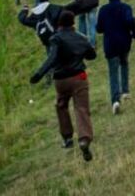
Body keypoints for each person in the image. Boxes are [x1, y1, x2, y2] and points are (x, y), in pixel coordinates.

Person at [29, 10, 97, 162]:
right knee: (81, 108)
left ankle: (67, 138)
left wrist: (39, 74)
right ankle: (84, 139)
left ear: (59, 24)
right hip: (79, 77)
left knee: (61, 106)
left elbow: (52, 58)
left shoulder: (56, 39)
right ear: (73, 22)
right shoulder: (81, 37)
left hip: (61, 80)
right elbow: (92, 55)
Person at [95, 0, 135, 115]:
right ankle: (125, 91)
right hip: (124, 42)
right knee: (124, 63)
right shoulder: (126, 7)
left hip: (110, 44)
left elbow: (99, 29)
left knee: (113, 71)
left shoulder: (103, 9)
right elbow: (130, 21)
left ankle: (115, 100)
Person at [19, 0, 66, 87]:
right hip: (57, 37)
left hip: (46, 40)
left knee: (50, 60)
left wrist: (25, 10)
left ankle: (49, 80)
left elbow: (22, 19)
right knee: (60, 56)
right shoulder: (53, 8)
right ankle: (61, 73)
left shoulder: (34, 16)